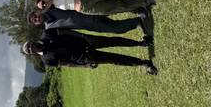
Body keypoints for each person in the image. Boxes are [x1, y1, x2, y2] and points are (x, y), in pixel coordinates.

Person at [22, 29, 158, 74]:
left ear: (32, 41)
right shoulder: (46, 60)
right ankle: (144, 63)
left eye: (30, 45)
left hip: (86, 41)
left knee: (113, 41)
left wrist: (82, 35)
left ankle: (141, 43)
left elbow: (66, 32)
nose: (31, 48)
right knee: (115, 59)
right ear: (31, 53)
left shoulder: (46, 35)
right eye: (29, 50)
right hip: (86, 57)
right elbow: (66, 64)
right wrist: (84, 65)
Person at [27, 7, 147, 35]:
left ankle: (138, 9)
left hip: (89, 10)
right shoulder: (49, 29)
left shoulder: (50, 7)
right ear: (37, 24)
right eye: (35, 21)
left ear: (37, 12)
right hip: (89, 25)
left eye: (35, 16)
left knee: (114, 8)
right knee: (114, 28)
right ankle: (136, 22)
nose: (37, 19)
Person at [36, 0, 155, 15]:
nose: (44, 5)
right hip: (87, 9)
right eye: (43, 7)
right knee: (118, 6)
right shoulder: (56, 8)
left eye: (43, 3)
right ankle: (145, 0)